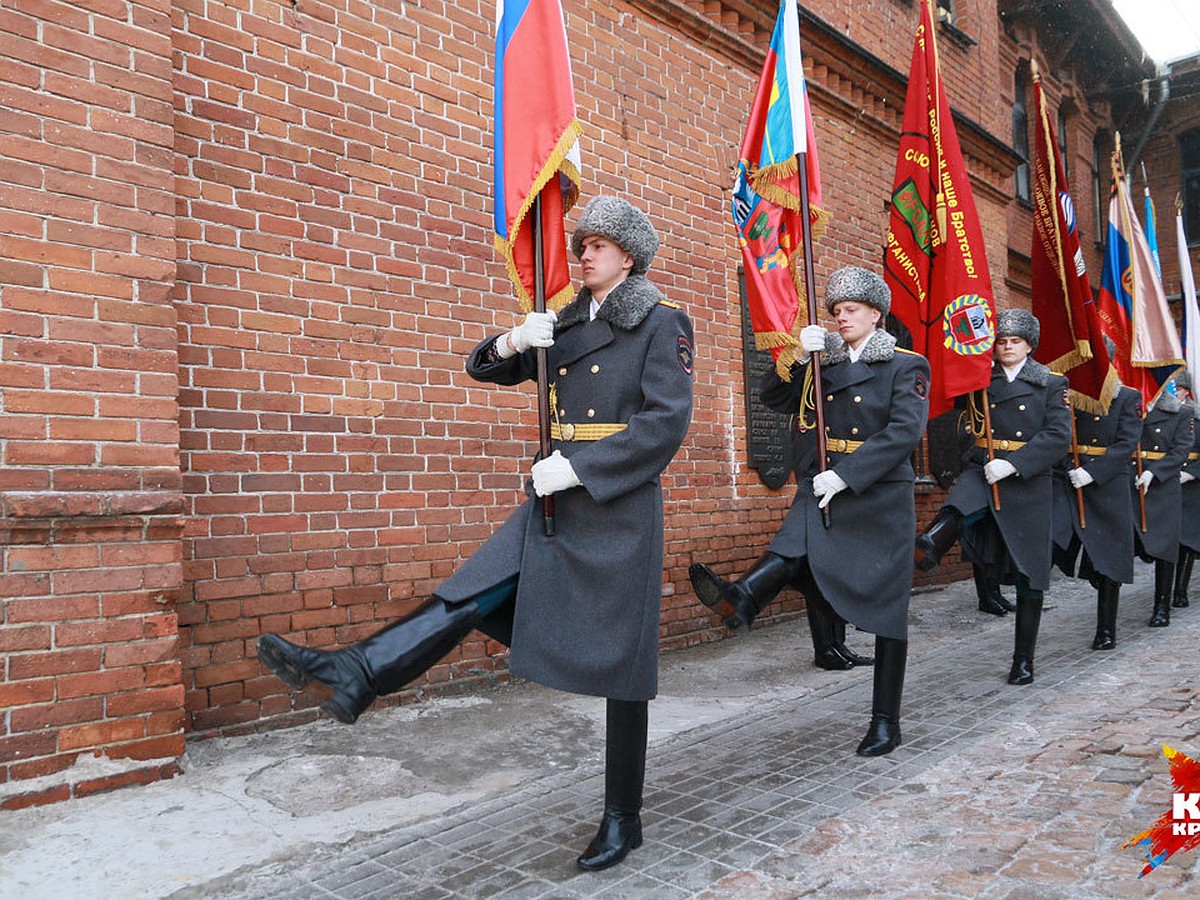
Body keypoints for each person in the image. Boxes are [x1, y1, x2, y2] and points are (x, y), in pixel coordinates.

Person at [256, 196, 694, 872]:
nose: (583, 253)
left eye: (598, 245)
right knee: (472, 590)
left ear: (628, 256)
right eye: (580, 243)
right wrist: (515, 341)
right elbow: (482, 368)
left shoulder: (661, 323)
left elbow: (663, 426)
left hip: (614, 507)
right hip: (553, 501)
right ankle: (360, 672)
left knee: (624, 672)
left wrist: (576, 471)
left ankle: (622, 819)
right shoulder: (567, 322)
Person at [690, 266, 930, 756]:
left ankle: (886, 721)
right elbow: (772, 398)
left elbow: (904, 432)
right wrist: (799, 355)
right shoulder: (825, 360)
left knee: (887, 612)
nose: (842, 318)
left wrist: (847, 474)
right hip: (820, 483)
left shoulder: (907, 365)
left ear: (876, 316)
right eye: (837, 311)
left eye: (852, 311)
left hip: (876, 493)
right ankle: (742, 598)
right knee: (794, 545)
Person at [914, 309, 1071, 685]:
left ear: (1029, 345)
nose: (1006, 347)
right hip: (984, 465)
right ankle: (931, 543)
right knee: (962, 501)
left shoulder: (1052, 382)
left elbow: (1057, 436)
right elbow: (958, 413)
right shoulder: (981, 378)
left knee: (1031, 575)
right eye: (1001, 341)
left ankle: (1023, 659)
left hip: (1027, 480)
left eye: (1014, 341)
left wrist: (1015, 464)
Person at [1049, 363, 1142, 650]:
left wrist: (1093, 472)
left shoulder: (1127, 397)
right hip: (1069, 478)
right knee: (1053, 535)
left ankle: (1105, 629)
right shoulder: (1068, 394)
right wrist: (1067, 466)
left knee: (1108, 559)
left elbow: (1126, 443)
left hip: (1107, 483)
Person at [1130, 371, 1193, 627]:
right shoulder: (1131, 407)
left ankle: (1162, 605)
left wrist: (1154, 472)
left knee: (1166, 549)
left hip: (1162, 485)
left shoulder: (1181, 413)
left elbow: (1180, 450)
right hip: (1130, 481)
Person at [1176, 372, 1200, 608]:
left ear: (1186, 391)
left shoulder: (1196, 417)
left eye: (1178, 388)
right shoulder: (1161, 414)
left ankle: (1180, 589)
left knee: (1186, 540)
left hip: (1191, 484)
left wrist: (1191, 472)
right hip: (1166, 481)